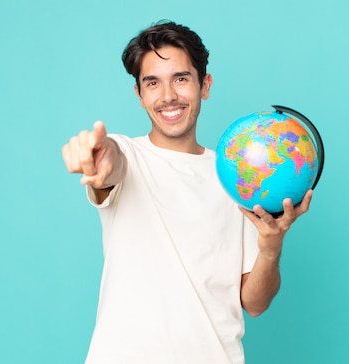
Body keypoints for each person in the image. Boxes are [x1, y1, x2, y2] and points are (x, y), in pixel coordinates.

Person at [62, 20, 313, 364]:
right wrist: (101, 158)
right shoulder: (127, 155)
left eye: (180, 79)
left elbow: (254, 304)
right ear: (139, 95)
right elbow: (113, 164)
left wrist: (270, 250)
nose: (168, 96)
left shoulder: (236, 177)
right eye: (153, 83)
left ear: (204, 85)